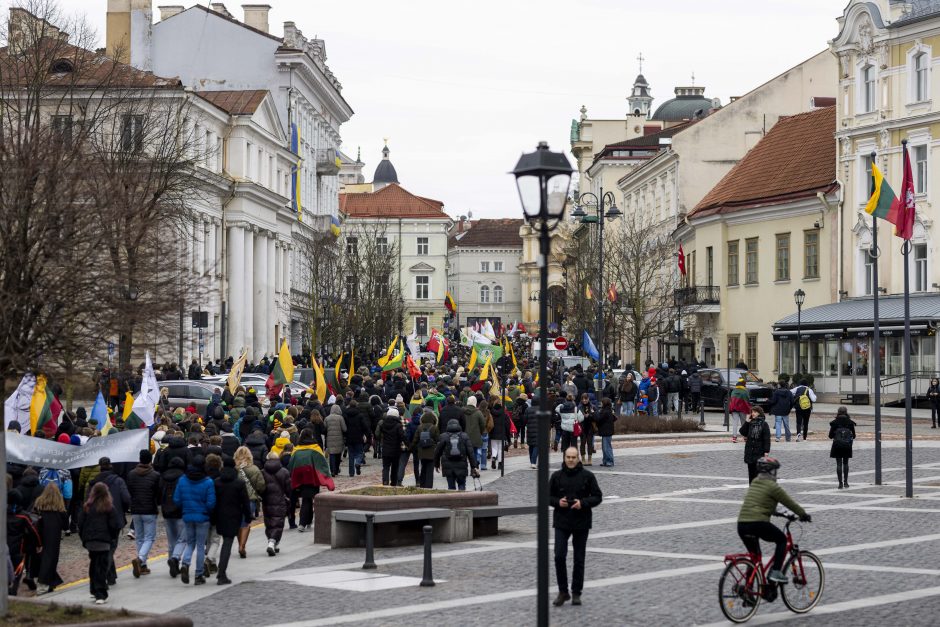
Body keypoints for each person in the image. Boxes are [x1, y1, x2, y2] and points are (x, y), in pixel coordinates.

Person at [737, 456, 810, 584]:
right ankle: (776, 571)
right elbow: (790, 503)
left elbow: (761, 503)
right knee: (782, 540)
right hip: (758, 523)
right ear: (771, 472)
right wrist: (803, 514)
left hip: (742, 525)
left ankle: (747, 589)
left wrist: (778, 512)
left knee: (755, 557)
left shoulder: (754, 482)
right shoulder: (772, 486)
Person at [549, 447, 603, 607]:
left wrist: (583, 503)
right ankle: (563, 591)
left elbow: (598, 496)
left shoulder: (588, 476)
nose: (571, 460)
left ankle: (576, 592)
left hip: (581, 521)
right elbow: (546, 495)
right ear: (564, 458)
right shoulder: (556, 476)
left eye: (573, 457)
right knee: (559, 555)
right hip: (561, 521)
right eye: (568, 457)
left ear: (578, 458)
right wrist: (558, 502)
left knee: (579, 559)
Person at [173, 454, 216, 585]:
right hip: (202, 516)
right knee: (200, 546)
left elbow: (177, 499)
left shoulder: (182, 480)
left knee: (190, 543)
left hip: (187, 515)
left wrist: (185, 507)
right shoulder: (208, 482)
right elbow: (211, 503)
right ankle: (198, 574)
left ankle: (185, 563)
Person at [87, 457, 130, 587]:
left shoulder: (93, 483)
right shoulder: (118, 481)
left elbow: (87, 502)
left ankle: (111, 576)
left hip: (96, 520)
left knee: (107, 549)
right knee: (110, 549)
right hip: (114, 518)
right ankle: (104, 576)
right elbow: (126, 499)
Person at [78, 483, 123, 604]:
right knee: (101, 567)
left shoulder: (87, 507)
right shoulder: (109, 507)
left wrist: (84, 538)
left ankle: (94, 589)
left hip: (90, 541)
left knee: (94, 564)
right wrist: (112, 537)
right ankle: (100, 593)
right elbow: (116, 525)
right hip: (104, 541)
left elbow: (80, 524)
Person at [213, 456, 251, 585]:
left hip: (219, 515)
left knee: (221, 542)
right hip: (234, 516)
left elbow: (213, 501)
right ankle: (221, 573)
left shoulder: (217, 482)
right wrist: (248, 516)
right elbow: (245, 502)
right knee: (227, 544)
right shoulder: (239, 483)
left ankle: (216, 569)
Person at [288, 428, 333, 531]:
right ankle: (303, 523)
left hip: (298, 478)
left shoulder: (296, 450)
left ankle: (307, 521)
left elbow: (291, 465)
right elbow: (322, 464)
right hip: (312, 479)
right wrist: (328, 478)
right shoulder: (316, 449)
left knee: (306, 499)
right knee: (307, 500)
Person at [126, 449, 161, 579]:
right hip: (149, 508)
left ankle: (143, 565)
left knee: (140, 537)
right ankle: (141, 559)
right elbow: (158, 493)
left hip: (136, 508)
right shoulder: (155, 475)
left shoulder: (131, 474)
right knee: (149, 537)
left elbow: (130, 489)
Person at [31, 483, 65, 594]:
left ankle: (48, 582)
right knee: (51, 559)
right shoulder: (59, 508)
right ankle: (45, 583)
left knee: (40, 558)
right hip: (53, 536)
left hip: (39, 534)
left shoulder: (38, 505)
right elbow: (65, 525)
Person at [159, 457, 186, 578]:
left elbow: (159, 492)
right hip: (179, 511)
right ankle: (175, 559)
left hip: (166, 510)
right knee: (182, 538)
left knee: (171, 540)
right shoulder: (183, 477)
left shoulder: (163, 476)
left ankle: (172, 561)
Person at [433, 418, 479, 491]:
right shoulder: (464, 436)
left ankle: (452, 500)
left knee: (451, 487)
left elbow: (437, 452)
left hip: (448, 466)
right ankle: (462, 500)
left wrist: (436, 465)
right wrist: (474, 466)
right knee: (462, 485)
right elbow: (471, 452)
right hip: (462, 465)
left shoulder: (443, 436)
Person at [261, 451, 291, 555]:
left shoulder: (263, 472)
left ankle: (273, 543)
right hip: (280, 500)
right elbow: (288, 488)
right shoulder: (284, 471)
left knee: (269, 522)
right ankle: (272, 543)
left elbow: (261, 487)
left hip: (267, 500)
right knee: (278, 522)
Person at [828, 406, 857, 489]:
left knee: (839, 464)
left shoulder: (834, 422)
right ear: (846, 412)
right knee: (846, 463)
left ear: (838, 412)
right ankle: (846, 482)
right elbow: (854, 436)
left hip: (837, 445)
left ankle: (840, 483)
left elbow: (830, 436)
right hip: (847, 445)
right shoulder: (850, 422)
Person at [740, 406, 771, 483]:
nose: (753, 413)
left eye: (755, 412)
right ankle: (752, 491)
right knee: (751, 474)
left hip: (759, 452)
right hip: (750, 452)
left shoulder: (764, 424)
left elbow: (766, 439)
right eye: (752, 412)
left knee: (758, 475)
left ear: (759, 413)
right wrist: (747, 421)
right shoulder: (750, 423)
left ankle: (758, 491)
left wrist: (766, 451)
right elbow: (742, 432)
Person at [377, 407, 406, 486]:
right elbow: (402, 436)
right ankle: (393, 482)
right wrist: (408, 444)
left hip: (386, 448)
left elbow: (378, 434)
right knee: (395, 467)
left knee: (386, 467)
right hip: (396, 449)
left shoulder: (383, 424)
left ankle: (385, 481)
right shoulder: (398, 425)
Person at [412, 410, 440, 488]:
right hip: (431, 452)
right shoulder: (434, 427)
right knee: (430, 471)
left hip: (422, 451)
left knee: (423, 468)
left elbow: (415, 439)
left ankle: (422, 484)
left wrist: (411, 448)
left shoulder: (420, 427)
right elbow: (438, 440)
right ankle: (429, 486)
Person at [462, 396, 486, 471]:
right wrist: (480, 432)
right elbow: (483, 424)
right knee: (474, 453)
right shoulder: (478, 412)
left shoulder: (462, 411)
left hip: (464, 436)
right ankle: (474, 468)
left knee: (464, 453)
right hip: (475, 436)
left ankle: (464, 468)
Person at [324, 405, 346, 476]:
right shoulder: (340, 418)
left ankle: (332, 470)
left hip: (330, 439)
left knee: (332, 455)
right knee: (338, 455)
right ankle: (336, 470)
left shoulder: (327, 418)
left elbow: (324, 429)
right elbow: (344, 429)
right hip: (339, 439)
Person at [595, 398, 617, 467]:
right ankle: (605, 461)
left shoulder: (605, 411)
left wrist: (594, 413)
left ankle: (609, 461)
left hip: (606, 431)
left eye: (601, 403)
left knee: (606, 447)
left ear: (604, 403)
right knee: (605, 447)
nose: (600, 404)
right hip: (607, 431)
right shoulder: (608, 410)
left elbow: (599, 419)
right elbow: (614, 418)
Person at [728, 379, 751, 444]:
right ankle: (745, 437)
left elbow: (731, 400)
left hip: (734, 409)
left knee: (735, 423)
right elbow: (747, 400)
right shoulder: (745, 391)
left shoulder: (733, 391)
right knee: (743, 423)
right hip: (743, 409)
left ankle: (734, 438)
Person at [522, 400, 540, 469]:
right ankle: (533, 462)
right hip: (539, 430)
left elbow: (524, 420)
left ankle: (532, 461)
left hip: (530, 430)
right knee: (536, 446)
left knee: (531, 446)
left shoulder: (528, 409)